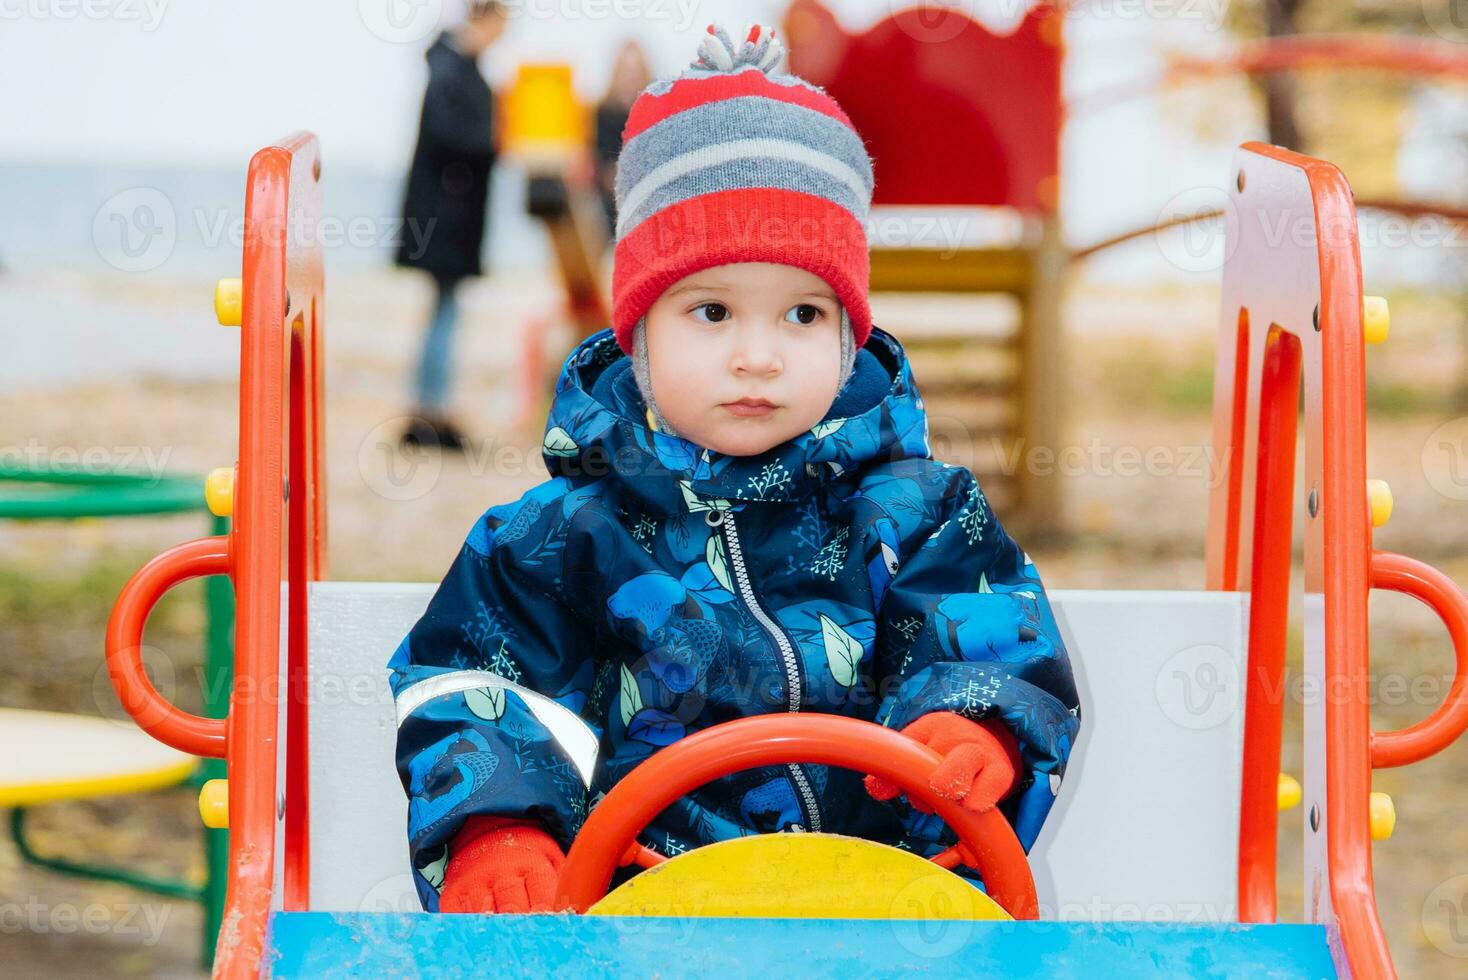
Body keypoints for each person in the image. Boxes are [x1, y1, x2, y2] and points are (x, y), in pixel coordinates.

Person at [389, 23, 1081, 914]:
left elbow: (990, 635)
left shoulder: (920, 512)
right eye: (712, 312)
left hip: (882, 916)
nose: (759, 355)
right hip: (646, 915)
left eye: (802, 314)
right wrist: (501, 828)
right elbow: (483, 684)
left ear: (848, 332)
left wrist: (972, 723)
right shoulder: (563, 536)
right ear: (636, 340)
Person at [395, 1, 508, 451]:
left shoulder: (455, 66)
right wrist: (496, 140)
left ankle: (430, 407)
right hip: (445, 215)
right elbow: (453, 137)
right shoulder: (452, 70)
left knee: (444, 309)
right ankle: (429, 411)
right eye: (501, 24)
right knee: (444, 310)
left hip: (447, 212)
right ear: (485, 19)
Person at [591, 39, 652, 236]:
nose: (630, 77)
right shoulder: (603, 111)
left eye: (635, 71)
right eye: (626, 71)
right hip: (611, 201)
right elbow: (604, 166)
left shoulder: (652, 109)